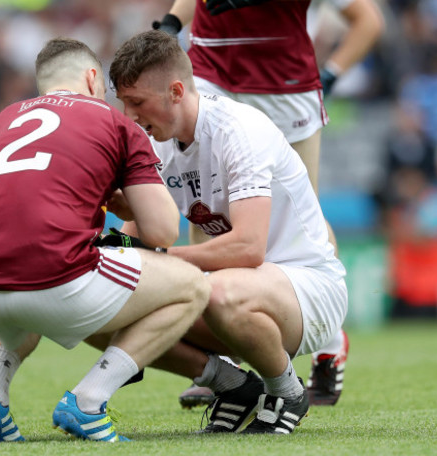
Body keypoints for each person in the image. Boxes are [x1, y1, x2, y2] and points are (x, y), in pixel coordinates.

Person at [0, 37, 210, 443]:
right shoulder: (114, 122)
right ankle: (89, 401)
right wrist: (120, 202)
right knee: (193, 285)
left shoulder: (1, 121)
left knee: (16, 261)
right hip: (58, 283)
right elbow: (162, 231)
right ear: (93, 78)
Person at [107, 30, 347, 434]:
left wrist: (157, 261)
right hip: (241, 295)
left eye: (137, 103)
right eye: (124, 103)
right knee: (108, 298)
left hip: (309, 292)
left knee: (214, 291)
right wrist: (117, 255)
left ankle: (287, 391)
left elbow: (249, 248)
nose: (129, 116)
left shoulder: (240, 131)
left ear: (177, 91)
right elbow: (137, 239)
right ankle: (233, 386)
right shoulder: (158, 141)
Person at [152, 0, 383, 407]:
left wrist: (330, 73)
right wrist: (171, 23)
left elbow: (368, 20)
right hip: (210, 76)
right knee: (204, 208)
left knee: (302, 216)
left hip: (284, 86)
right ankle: (222, 352)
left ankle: (328, 337)